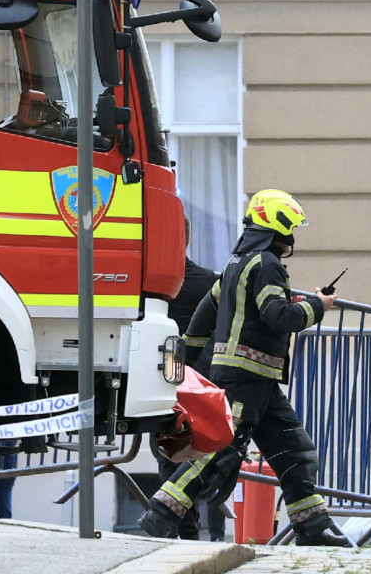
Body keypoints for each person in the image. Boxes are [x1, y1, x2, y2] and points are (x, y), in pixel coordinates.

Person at [138, 189, 349, 547]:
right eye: (290, 229)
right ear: (277, 227)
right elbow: (277, 315)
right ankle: (161, 513)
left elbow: (208, 309)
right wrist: (317, 305)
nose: (291, 238)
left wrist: (191, 356)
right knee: (220, 455)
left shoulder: (239, 262)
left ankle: (312, 526)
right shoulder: (267, 264)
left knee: (293, 451)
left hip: (258, 382)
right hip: (246, 380)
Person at [152, 217, 224, 540]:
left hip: (161, 380)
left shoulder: (152, 283)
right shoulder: (208, 281)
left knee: (171, 456)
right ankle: (206, 534)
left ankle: (180, 531)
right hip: (202, 384)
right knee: (204, 457)